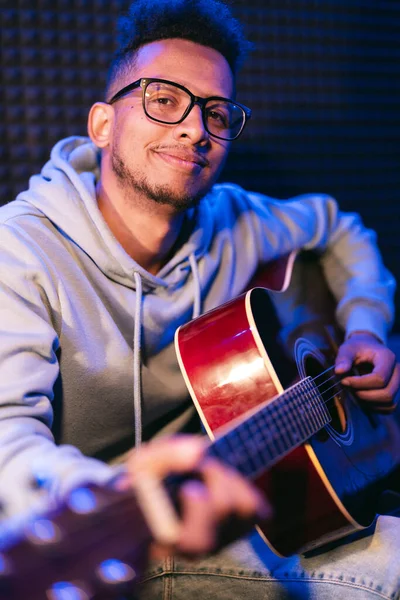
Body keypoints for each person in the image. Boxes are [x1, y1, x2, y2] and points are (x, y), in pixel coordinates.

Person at [0, 0, 399, 597]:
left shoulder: (233, 219)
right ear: (103, 124)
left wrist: (365, 326)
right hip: (111, 527)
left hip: (235, 487)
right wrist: (112, 493)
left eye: (217, 112)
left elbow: (341, 230)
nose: (195, 128)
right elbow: (7, 443)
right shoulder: (19, 250)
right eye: (164, 100)